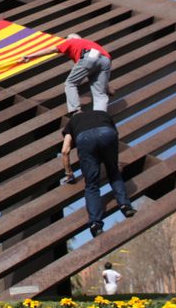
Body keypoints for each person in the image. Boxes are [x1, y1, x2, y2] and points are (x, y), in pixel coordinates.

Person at [62, 109, 135, 237]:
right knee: (114, 173)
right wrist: (114, 162)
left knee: (91, 185)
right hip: (107, 134)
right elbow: (114, 136)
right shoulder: (102, 114)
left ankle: (96, 224)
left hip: (85, 140)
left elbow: (65, 150)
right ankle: (126, 206)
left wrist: (69, 173)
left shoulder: (73, 121)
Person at [20, 34, 112, 114]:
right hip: (106, 59)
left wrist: (30, 56)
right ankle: (100, 116)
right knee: (100, 94)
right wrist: (106, 87)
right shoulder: (89, 43)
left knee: (70, 83)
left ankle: (75, 111)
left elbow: (52, 50)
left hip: (88, 56)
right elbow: (98, 67)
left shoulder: (71, 41)